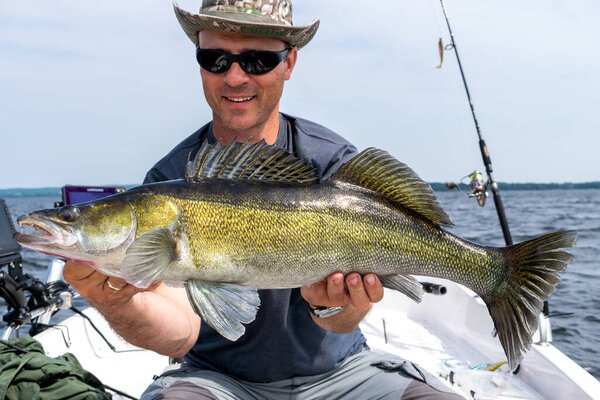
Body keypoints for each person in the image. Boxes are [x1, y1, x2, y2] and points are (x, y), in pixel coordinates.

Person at [63, 1, 464, 399]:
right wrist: (112, 300)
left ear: (289, 64)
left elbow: (346, 320)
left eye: (257, 60)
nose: (235, 77)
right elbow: (181, 332)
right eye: (215, 58)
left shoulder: (332, 163)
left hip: (343, 372)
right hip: (219, 380)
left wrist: (335, 307)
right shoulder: (170, 180)